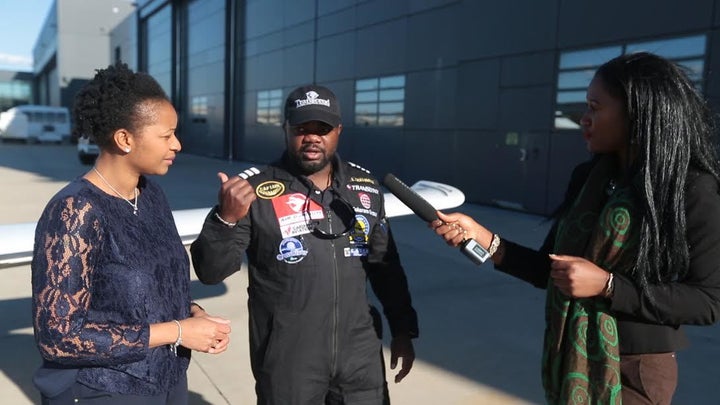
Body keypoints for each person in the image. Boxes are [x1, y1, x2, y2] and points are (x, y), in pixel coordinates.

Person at [431, 52, 720, 405]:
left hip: (633, 370)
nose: (584, 119)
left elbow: (707, 301)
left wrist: (609, 285)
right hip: (570, 354)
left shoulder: (691, 189)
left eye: (595, 108)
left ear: (637, 114)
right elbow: (551, 270)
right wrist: (483, 238)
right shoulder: (589, 180)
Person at [190, 84, 418, 404]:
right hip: (289, 361)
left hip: (360, 356)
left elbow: (386, 268)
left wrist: (403, 329)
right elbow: (211, 272)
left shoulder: (365, 187)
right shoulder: (253, 190)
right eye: (301, 128)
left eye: (322, 128)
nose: (312, 136)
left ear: (338, 131)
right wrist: (225, 220)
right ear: (286, 130)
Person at [31, 62, 232, 405]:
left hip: (168, 381)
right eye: (166, 135)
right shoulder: (75, 211)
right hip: (105, 390)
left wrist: (192, 313)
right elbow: (59, 337)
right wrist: (179, 331)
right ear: (125, 138)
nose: (178, 145)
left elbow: (152, 287)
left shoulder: (151, 194)